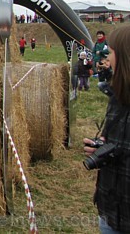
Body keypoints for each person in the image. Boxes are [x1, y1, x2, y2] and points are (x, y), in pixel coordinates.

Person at [83, 25, 130, 232]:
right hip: (111, 208)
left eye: (111, 52)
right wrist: (102, 147)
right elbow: (115, 140)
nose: (107, 58)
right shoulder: (116, 98)